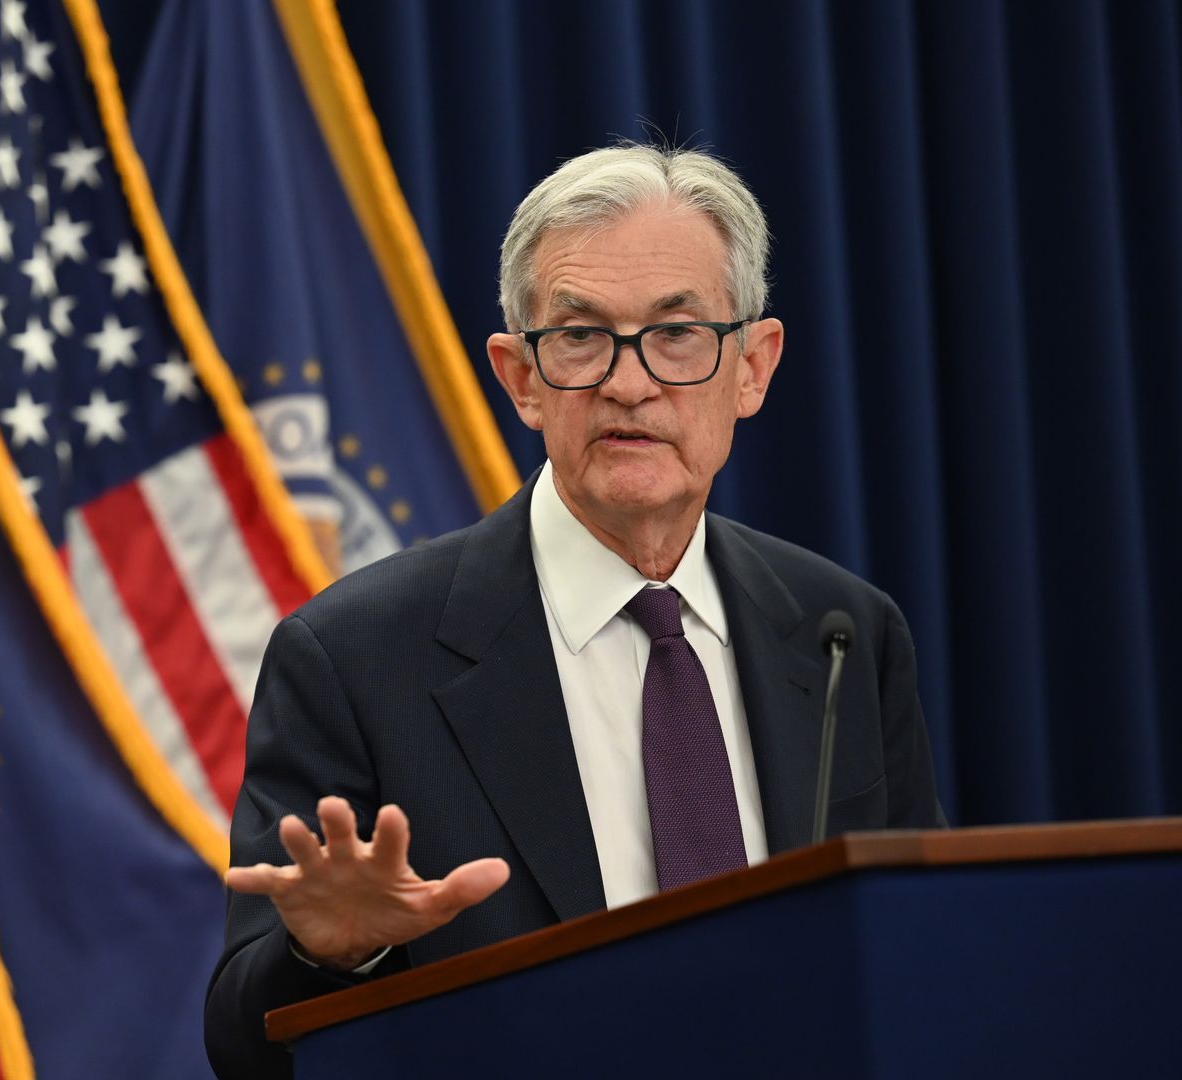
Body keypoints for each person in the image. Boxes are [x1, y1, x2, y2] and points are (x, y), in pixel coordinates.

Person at [205, 143, 946, 1078]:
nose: (628, 383)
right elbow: (240, 1046)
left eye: (678, 335)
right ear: (521, 378)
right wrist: (331, 953)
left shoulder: (844, 632)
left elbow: (920, 954)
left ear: (752, 368)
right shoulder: (353, 656)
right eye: (580, 337)